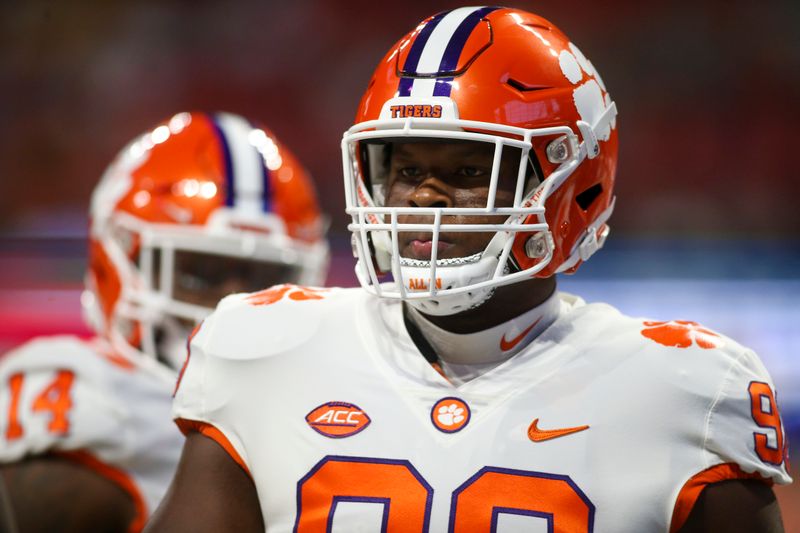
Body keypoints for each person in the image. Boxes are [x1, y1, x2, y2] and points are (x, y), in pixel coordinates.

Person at [148, 7, 791, 533]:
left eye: (466, 173)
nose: (423, 198)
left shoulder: (688, 391)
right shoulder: (267, 352)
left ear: (574, 189)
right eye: (405, 171)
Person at [0, 111, 329, 532]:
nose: (234, 303)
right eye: (200, 273)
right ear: (119, 263)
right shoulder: (100, 400)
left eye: (263, 279)